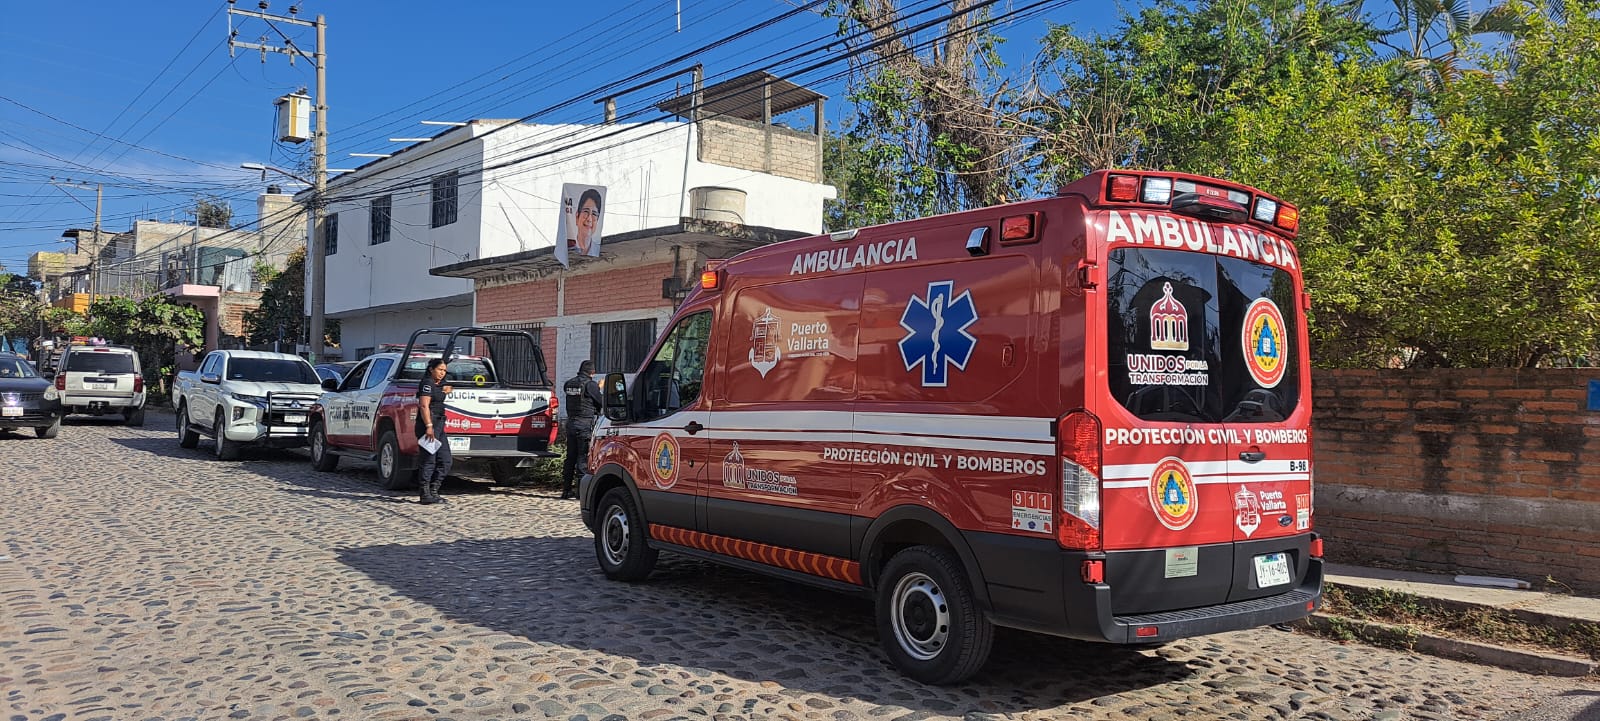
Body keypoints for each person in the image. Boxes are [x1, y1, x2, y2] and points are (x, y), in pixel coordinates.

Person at [561, 359, 604, 499]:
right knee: (583, 458)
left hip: (571, 424)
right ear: (592, 372)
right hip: (584, 425)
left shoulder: (569, 383)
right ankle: (581, 493)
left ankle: (566, 490)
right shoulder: (590, 384)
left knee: (570, 458)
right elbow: (600, 401)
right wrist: (599, 388)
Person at [415, 358, 454, 505]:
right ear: (431, 369)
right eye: (440, 370)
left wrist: (446, 389)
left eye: (444, 370)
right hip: (428, 424)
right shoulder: (427, 383)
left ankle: (434, 490)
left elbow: (446, 388)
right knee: (428, 460)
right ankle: (424, 494)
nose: (442, 373)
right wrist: (429, 426)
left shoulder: (440, 384)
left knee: (446, 460)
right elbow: (424, 406)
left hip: (440, 424)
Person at [572, 189, 602, 256]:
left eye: (594, 214)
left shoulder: (600, 251)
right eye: (586, 211)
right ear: (577, 217)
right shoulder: (565, 250)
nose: (589, 219)